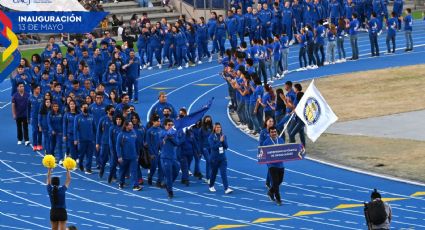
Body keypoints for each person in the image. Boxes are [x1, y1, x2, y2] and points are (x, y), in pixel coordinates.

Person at [116, 121, 142, 191]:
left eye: (132, 125)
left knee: (134, 171)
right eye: (130, 125)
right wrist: (119, 156)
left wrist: (137, 154)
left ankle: (135, 185)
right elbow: (118, 146)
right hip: (124, 157)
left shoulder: (133, 133)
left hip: (133, 156)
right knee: (123, 171)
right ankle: (121, 183)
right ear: (126, 126)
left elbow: (136, 144)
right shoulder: (121, 135)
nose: (132, 126)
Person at [208, 122, 233, 194]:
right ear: (214, 128)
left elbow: (226, 147)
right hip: (214, 158)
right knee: (214, 173)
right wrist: (220, 141)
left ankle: (226, 188)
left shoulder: (223, 136)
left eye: (219, 127)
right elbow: (213, 147)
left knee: (223, 173)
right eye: (217, 127)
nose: (218, 128)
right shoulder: (211, 137)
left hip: (222, 158)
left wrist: (223, 141)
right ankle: (211, 185)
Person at [262, 126, 284, 205]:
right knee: (275, 183)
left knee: (280, 181)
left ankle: (270, 192)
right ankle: (278, 199)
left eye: (275, 132)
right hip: (271, 165)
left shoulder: (281, 140)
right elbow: (263, 154)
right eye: (272, 132)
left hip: (280, 164)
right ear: (269, 133)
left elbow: (285, 151)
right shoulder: (266, 142)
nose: (274, 133)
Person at [160, 119, 181, 198]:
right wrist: (167, 136)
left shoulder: (174, 134)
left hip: (173, 157)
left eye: (172, 125)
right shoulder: (162, 132)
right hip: (165, 158)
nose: (171, 126)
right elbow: (161, 140)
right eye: (169, 125)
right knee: (168, 175)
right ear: (165, 126)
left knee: (177, 170)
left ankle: (167, 184)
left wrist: (171, 137)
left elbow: (177, 143)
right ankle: (170, 191)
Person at [74, 103, 96, 174]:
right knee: (81, 155)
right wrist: (75, 139)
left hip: (90, 140)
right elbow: (75, 129)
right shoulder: (77, 117)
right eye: (84, 107)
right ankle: (80, 164)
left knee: (90, 155)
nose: (85, 108)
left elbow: (94, 128)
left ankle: (88, 169)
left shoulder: (92, 117)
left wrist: (95, 138)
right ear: (81, 108)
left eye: (86, 107)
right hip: (81, 140)